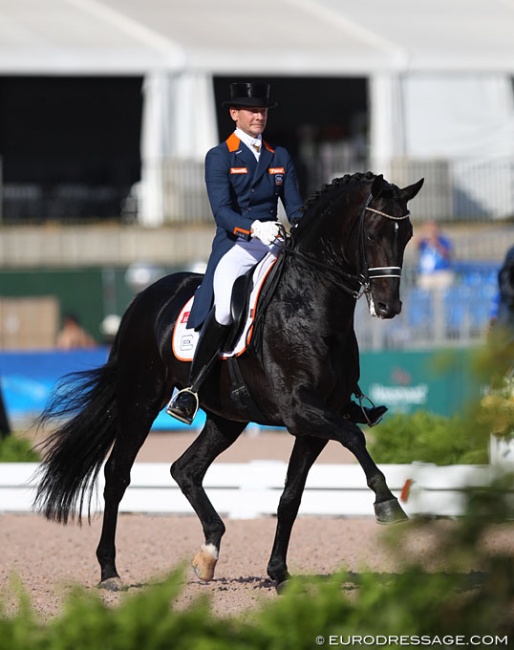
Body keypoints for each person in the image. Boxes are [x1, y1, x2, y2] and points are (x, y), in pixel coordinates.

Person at [166, 82, 386, 427]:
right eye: (252, 110)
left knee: (314, 301)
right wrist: (254, 227)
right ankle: (192, 389)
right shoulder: (219, 157)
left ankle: (348, 391)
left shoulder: (279, 157)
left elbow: (296, 209)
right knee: (225, 307)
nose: (258, 116)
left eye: (263, 111)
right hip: (237, 246)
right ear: (234, 114)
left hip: (276, 243)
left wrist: (303, 233)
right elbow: (222, 212)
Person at [416, 220, 454, 291]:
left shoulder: (443, 241)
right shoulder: (424, 241)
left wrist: (436, 243)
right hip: (426, 273)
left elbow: (448, 255)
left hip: (441, 273)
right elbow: (416, 243)